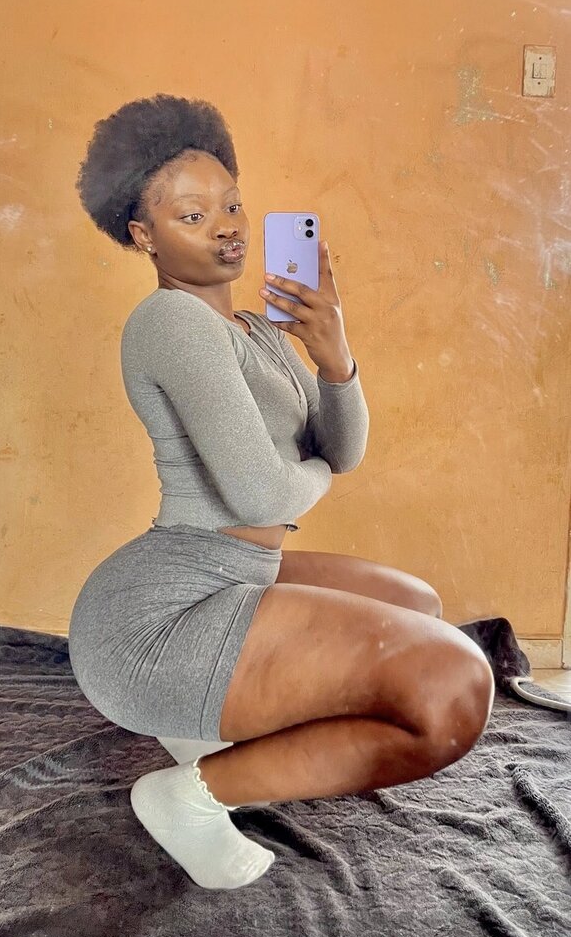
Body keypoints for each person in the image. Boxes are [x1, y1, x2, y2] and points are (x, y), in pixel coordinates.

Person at [68, 93, 495, 891]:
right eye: (193, 215)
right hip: (156, 620)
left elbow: (343, 450)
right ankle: (188, 798)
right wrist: (314, 475)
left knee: (419, 607)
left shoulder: (256, 331)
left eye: (232, 205)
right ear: (144, 235)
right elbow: (264, 493)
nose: (227, 227)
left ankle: (213, 734)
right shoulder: (170, 322)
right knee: (451, 691)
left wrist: (335, 355)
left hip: (232, 577)